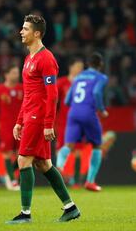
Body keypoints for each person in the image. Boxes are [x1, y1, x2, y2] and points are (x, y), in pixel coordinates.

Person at [7, 14, 80, 224]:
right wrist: (19, 120)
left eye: (25, 29)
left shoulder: (46, 59)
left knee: (23, 160)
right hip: (29, 114)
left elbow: (52, 94)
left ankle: (25, 213)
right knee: (43, 164)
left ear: (37, 33)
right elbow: (28, 93)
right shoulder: (29, 58)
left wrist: (48, 124)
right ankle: (70, 207)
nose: (21, 32)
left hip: (39, 117)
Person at [56, 52, 109, 192]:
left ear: (88, 64)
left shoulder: (78, 77)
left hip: (73, 113)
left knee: (69, 145)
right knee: (97, 146)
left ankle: (59, 166)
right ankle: (90, 181)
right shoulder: (101, 77)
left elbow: (67, 99)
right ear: (100, 64)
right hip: (88, 112)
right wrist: (101, 109)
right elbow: (97, 93)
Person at [0, 64, 23, 190]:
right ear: (6, 75)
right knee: (7, 153)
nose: (16, 75)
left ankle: (16, 178)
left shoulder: (23, 88)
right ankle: (12, 180)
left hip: (21, 126)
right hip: (5, 127)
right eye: (14, 73)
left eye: (17, 72)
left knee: (22, 154)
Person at [56, 57, 85, 187]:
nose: (80, 70)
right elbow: (52, 101)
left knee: (78, 151)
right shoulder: (61, 83)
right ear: (71, 67)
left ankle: (76, 181)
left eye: (82, 67)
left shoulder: (84, 84)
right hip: (64, 123)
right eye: (78, 66)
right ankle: (61, 179)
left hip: (79, 123)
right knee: (62, 150)